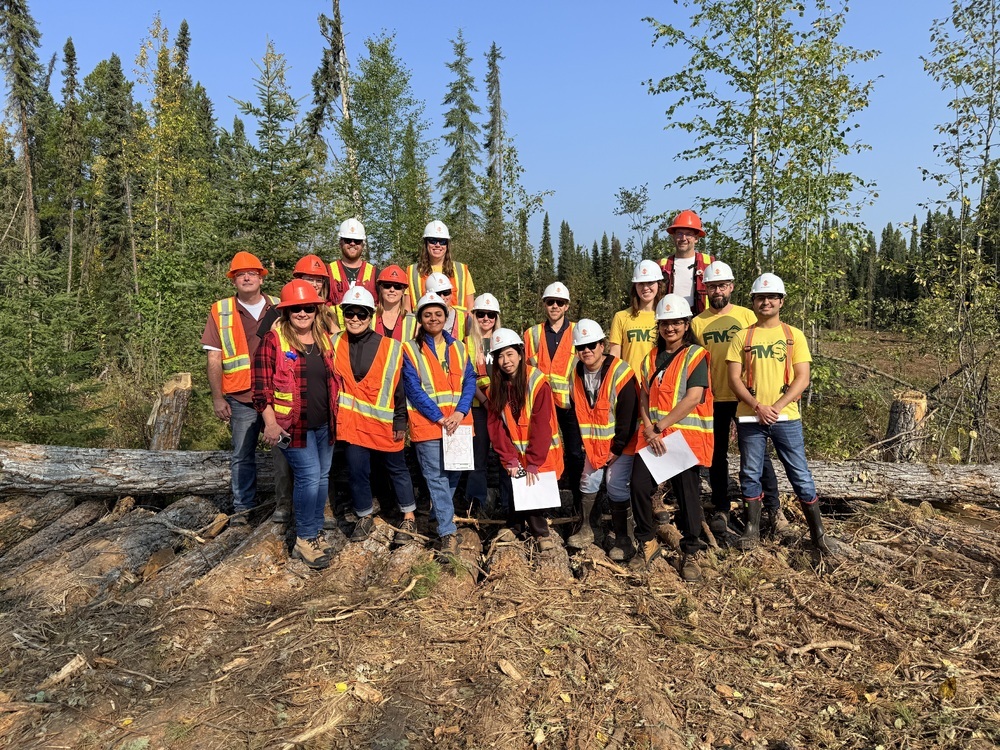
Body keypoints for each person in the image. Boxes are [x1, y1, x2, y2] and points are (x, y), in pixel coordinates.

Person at [726, 273, 831, 555]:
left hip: (786, 418)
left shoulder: (793, 335)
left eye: (772, 297)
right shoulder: (742, 336)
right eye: (761, 297)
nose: (766, 302)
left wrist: (777, 406)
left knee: (800, 474)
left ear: (781, 301)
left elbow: (802, 377)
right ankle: (752, 530)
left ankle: (818, 534)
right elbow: (734, 379)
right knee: (750, 473)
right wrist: (758, 406)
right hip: (751, 417)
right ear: (753, 301)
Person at [691, 261, 782, 547]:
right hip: (713, 397)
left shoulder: (747, 316)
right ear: (705, 289)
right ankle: (722, 507)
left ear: (731, 287)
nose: (717, 291)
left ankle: (772, 508)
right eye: (712, 286)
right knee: (715, 455)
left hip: (745, 398)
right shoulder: (697, 322)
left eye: (722, 285)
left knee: (757, 455)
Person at [253, 280, 339, 569]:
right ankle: (304, 538)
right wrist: (270, 423)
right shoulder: (273, 341)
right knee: (309, 476)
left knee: (321, 477)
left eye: (308, 308)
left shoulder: (324, 339)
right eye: (296, 309)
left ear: (316, 310)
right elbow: (261, 389)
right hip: (291, 427)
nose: (303, 313)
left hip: (324, 423)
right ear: (286, 312)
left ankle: (315, 531)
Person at [630, 294, 714, 581]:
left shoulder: (695, 355)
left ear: (686, 324)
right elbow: (643, 396)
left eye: (676, 322)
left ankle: (690, 552)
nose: (670, 328)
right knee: (638, 486)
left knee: (687, 496)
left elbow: (693, 397)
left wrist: (660, 426)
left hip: (682, 439)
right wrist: (648, 426)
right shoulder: (650, 358)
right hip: (653, 437)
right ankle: (647, 542)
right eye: (665, 323)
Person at [332, 287, 418, 545]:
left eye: (361, 314)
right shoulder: (334, 342)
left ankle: (409, 516)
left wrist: (400, 420)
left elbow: (399, 388)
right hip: (352, 425)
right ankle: (364, 515)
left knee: (397, 469)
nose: (355, 319)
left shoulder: (391, 347)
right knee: (357, 471)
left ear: (371, 316)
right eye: (350, 313)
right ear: (343, 315)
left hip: (384, 423)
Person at [201, 251, 281, 524]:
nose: (247, 278)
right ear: (233, 280)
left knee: (285, 454)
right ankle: (243, 510)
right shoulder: (221, 310)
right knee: (242, 455)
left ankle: (285, 506)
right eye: (240, 274)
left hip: (277, 395)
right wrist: (217, 398)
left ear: (261, 278)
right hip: (241, 397)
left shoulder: (280, 306)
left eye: (252, 273)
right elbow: (214, 358)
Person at [401, 292, 477, 556]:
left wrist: (460, 412)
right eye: (427, 314)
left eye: (438, 314)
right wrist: (440, 417)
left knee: (453, 475)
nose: (433, 318)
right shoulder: (410, 349)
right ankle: (447, 532)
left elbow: (470, 381)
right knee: (436, 478)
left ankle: (437, 516)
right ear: (420, 319)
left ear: (446, 317)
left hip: (458, 423)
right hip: (429, 424)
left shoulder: (459, 347)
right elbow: (413, 388)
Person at [567, 320, 640, 561]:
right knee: (587, 481)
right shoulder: (576, 373)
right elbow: (580, 411)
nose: (586, 351)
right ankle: (589, 528)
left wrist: (617, 448)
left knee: (615, 483)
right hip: (596, 444)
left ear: (602, 345)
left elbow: (629, 415)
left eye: (591, 345)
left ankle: (624, 539)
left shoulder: (621, 372)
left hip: (623, 442)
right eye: (581, 347)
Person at [486, 328, 562, 551]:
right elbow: (496, 426)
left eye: (510, 354)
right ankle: (515, 525)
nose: (505, 361)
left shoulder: (538, 382)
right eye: (500, 356)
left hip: (540, 450)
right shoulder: (496, 386)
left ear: (520, 354)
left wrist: (533, 461)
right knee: (514, 488)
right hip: (513, 451)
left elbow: (541, 424)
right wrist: (509, 457)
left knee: (532, 489)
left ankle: (541, 532)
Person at [465, 293, 502, 514]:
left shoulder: (503, 340)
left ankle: (508, 502)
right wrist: (486, 401)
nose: (486, 319)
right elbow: (467, 377)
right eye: (481, 314)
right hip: (478, 408)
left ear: (496, 317)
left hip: (502, 407)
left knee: (506, 455)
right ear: (474, 316)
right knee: (477, 458)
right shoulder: (467, 343)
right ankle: (475, 504)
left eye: (490, 315)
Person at [609, 259, 666, 377]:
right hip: (629, 382)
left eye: (650, 282)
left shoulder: (666, 317)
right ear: (635, 286)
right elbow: (615, 355)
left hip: (658, 382)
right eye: (641, 283)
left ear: (659, 285)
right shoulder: (621, 317)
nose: (645, 288)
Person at [405, 220, 476, 313]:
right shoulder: (412, 272)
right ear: (426, 243)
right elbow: (406, 309)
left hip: (456, 322)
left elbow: (471, 308)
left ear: (447, 245)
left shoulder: (461, 271)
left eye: (442, 241)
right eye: (433, 241)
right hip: (422, 322)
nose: (438, 245)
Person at [658, 210, 714, 314]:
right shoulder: (661, 266)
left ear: (696, 238)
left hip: (703, 319)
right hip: (670, 320)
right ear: (674, 236)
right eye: (679, 233)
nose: (683, 238)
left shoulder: (710, 264)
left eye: (688, 234)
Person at [329, 218, 378, 330]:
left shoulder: (375, 273)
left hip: (366, 335)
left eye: (357, 241)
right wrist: (332, 328)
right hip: (334, 335)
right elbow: (319, 306)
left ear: (363, 245)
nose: (352, 243)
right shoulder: (328, 272)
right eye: (348, 240)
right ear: (340, 242)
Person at [373, 265, 417, 343]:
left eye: (397, 286)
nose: (392, 290)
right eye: (387, 285)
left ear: (403, 291)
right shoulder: (369, 316)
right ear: (381, 288)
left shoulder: (414, 321)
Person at [425, 272, 470, 340]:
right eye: (438, 294)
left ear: (451, 293)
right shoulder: (421, 318)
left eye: (446, 293)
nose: (442, 297)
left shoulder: (464, 317)